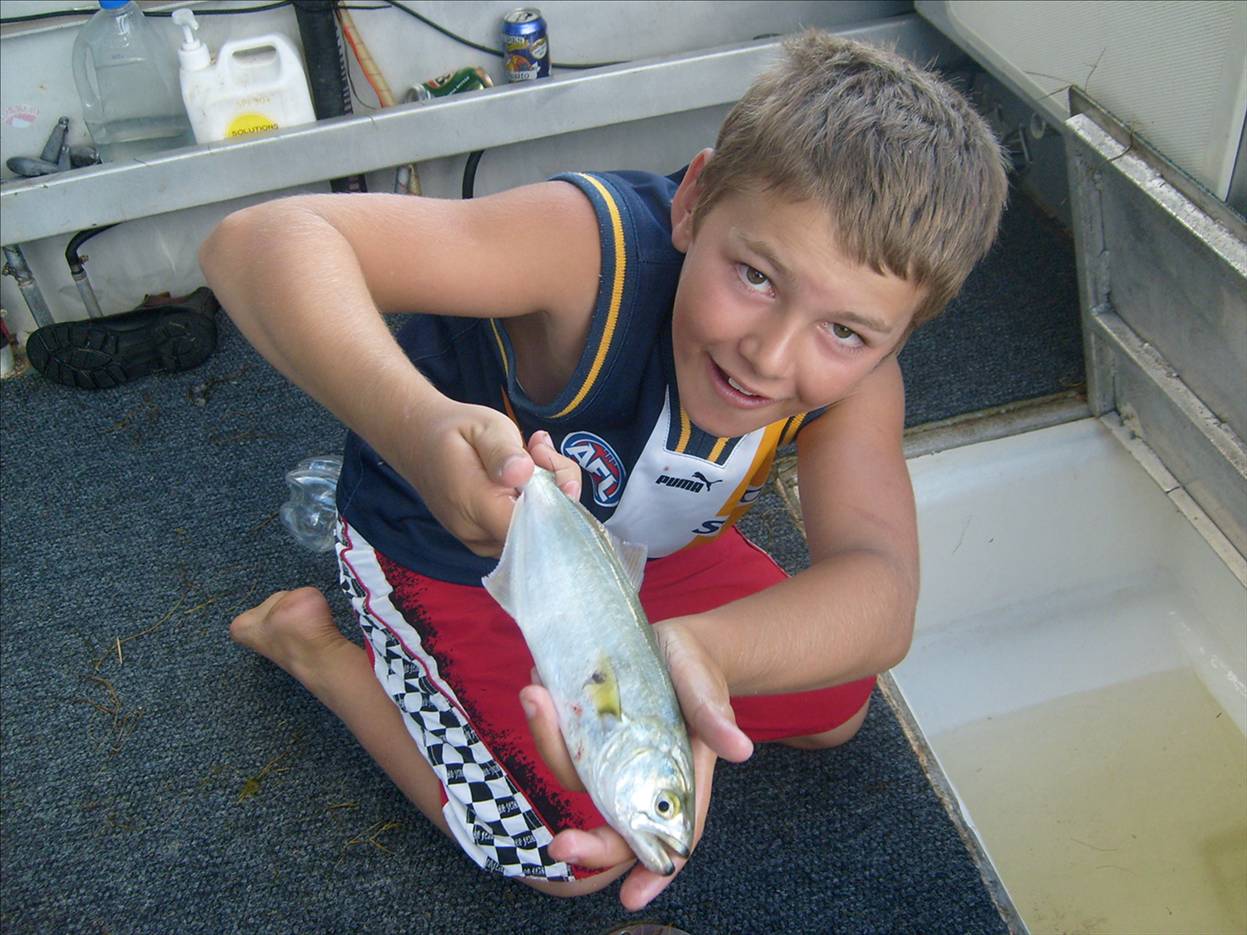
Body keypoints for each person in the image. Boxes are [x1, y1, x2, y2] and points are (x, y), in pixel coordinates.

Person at [200, 29, 1007, 911]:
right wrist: (420, 430)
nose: (771, 356)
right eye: (755, 274)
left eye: (845, 331)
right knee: (563, 857)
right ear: (694, 200)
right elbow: (258, 241)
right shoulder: (591, 254)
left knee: (839, 697)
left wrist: (696, 654)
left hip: (634, 543)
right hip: (447, 533)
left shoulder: (857, 387)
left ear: (898, 334)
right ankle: (315, 650)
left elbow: (880, 594)